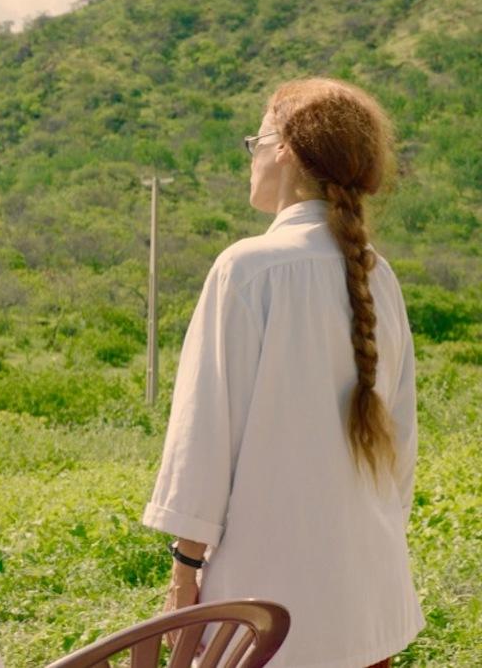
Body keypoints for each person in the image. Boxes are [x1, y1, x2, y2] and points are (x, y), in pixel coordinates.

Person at [141, 78, 423, 667]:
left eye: (257, 139)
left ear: (286, 149)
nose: (252, 157)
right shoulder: (378, 274)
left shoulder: (248, 269)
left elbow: (203, 443)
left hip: (264, 611)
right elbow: (400, 449)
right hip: (368, 604)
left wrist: (184, 575)